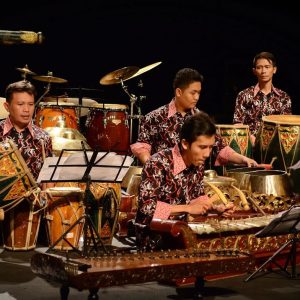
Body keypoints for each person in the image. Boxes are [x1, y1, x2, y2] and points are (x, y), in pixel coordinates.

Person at [134, 111, 254, 251]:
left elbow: (197, 200)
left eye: (210, 147)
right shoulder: (157, 164)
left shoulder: (197, 164)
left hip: (181, 238)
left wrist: (215, 209)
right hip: (153, 243)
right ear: (185, 143)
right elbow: (146, 210)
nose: (207, 154)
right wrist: (187, 208)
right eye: (202, 147)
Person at [130, 67, 257, 168]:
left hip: (193, 183)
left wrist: (243, 159)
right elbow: (142, 146)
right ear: (179, 92)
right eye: (193, 93)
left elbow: (221, 148)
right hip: (165, 180)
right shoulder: (155, 117)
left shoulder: (201, 119)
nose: (196, 97)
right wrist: (152, 166)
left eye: (199, 93)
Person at [233, 51, 292, 144]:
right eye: (259, 67)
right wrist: (251, 139)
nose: (263, 71)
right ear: (254, 71)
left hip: (276, 146)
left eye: (267, 67)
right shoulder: (244, 95)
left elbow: (287, 127)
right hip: (249, 145)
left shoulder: (283, 97)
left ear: (274, 69)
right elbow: (237, 124)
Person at [0, 80, 52, 181]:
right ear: (7, 107)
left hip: (35, 196)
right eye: (20, 104)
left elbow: (48, 180)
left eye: (31, 104)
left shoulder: (44, 137)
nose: (26, 110)